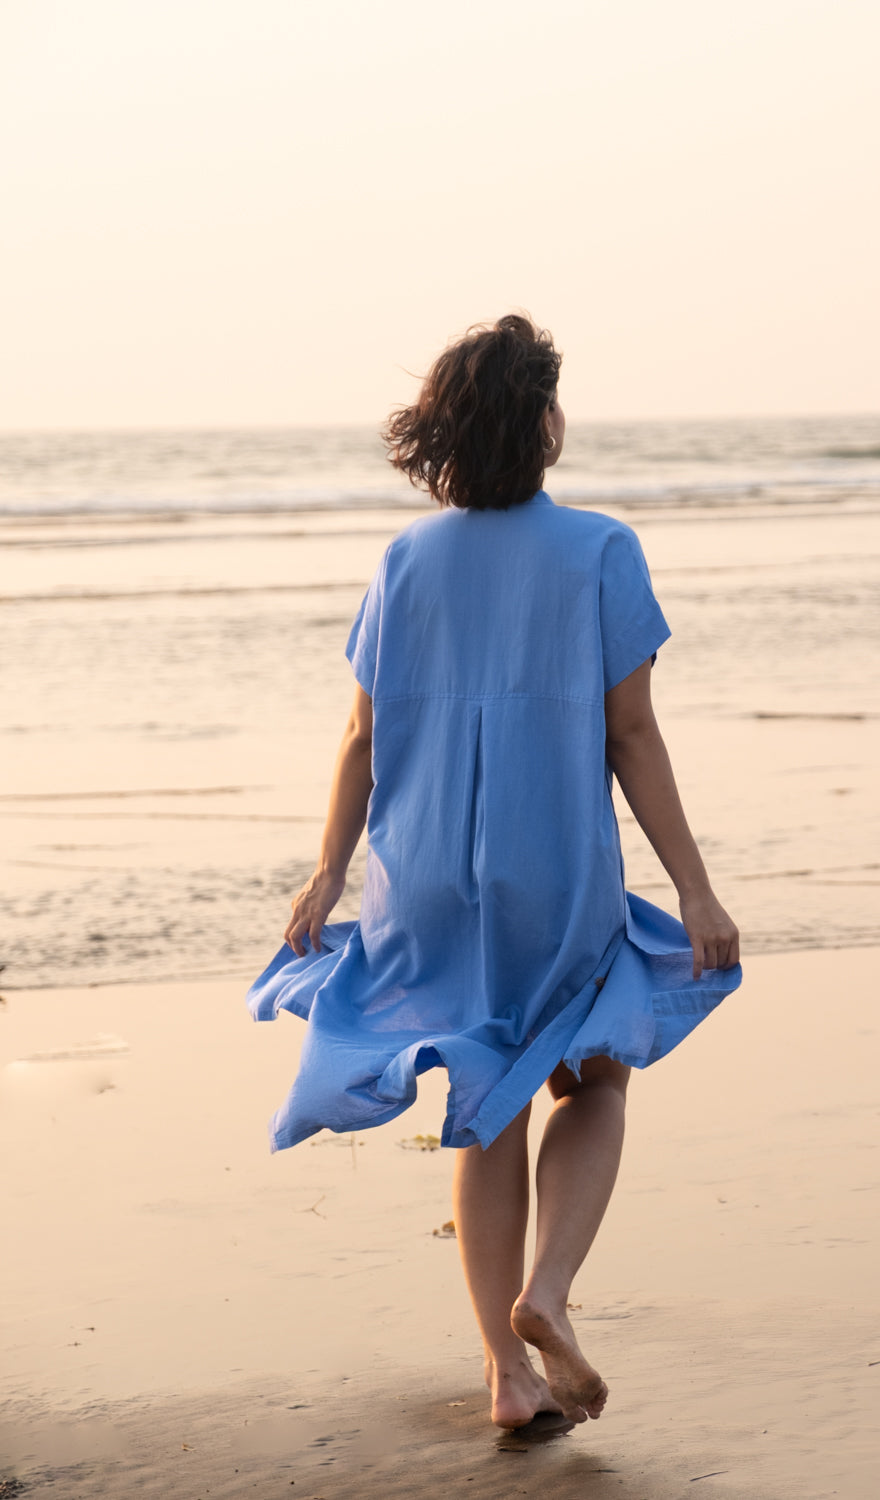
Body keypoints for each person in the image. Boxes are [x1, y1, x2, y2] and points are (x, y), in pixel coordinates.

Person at [247, 313, 741, 1431]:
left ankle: (507, 1383)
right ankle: (548, 1295)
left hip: (419, 877)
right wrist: (697, 889)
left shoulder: (406, 560)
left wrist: (327, 875)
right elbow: (630, 737)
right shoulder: (602, 550)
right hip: (550, 871)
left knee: (485, 1108)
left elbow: (360, 740)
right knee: (598, 1070)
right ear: (543, 425)